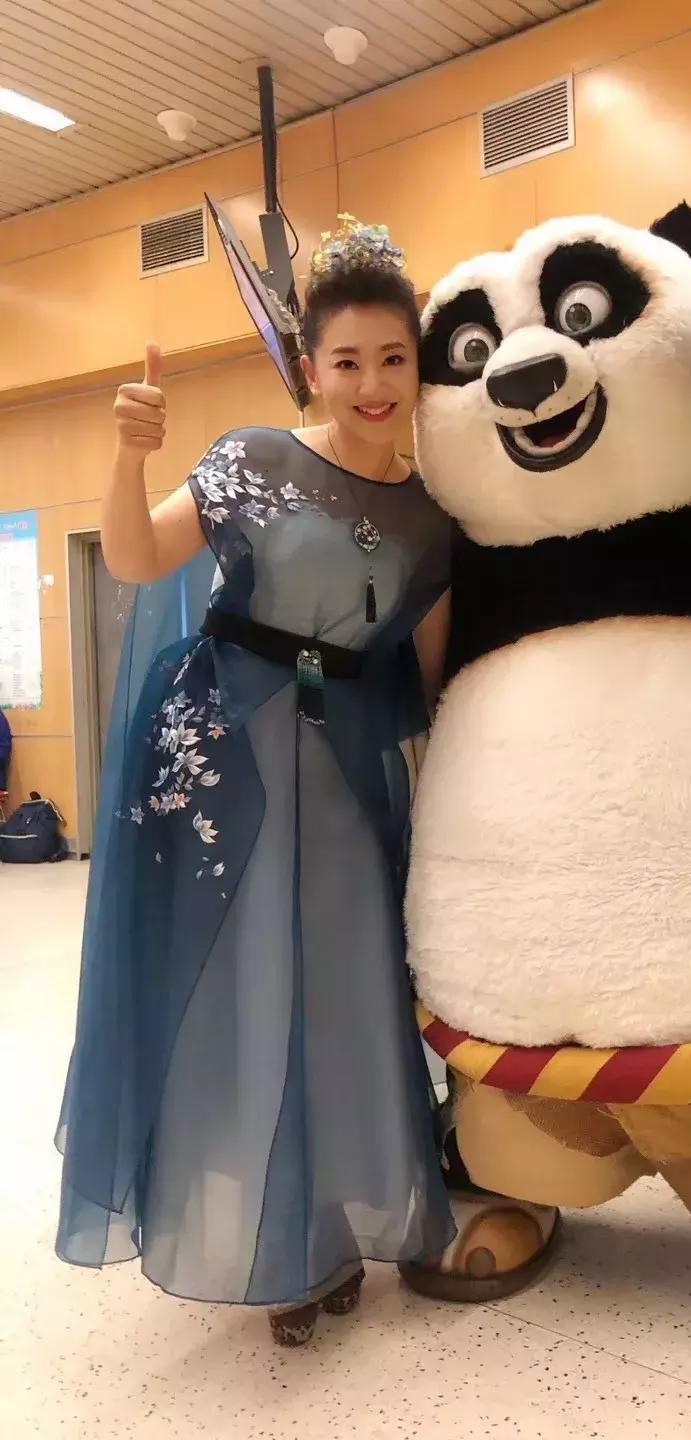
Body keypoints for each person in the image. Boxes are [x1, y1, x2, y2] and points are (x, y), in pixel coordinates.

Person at [55, 219, 457, 1345]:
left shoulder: (434, 519)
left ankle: (335, 1224)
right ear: (312, 368)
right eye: (347, 360)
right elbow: (136, 558)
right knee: (242, 993)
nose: (372, 384)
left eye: (393, 358)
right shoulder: (254, 457)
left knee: (344, 993)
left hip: (348, 779)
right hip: (222, 764)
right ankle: (277, 1241)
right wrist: (128, 458)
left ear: (419, 367)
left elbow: (435, 678)